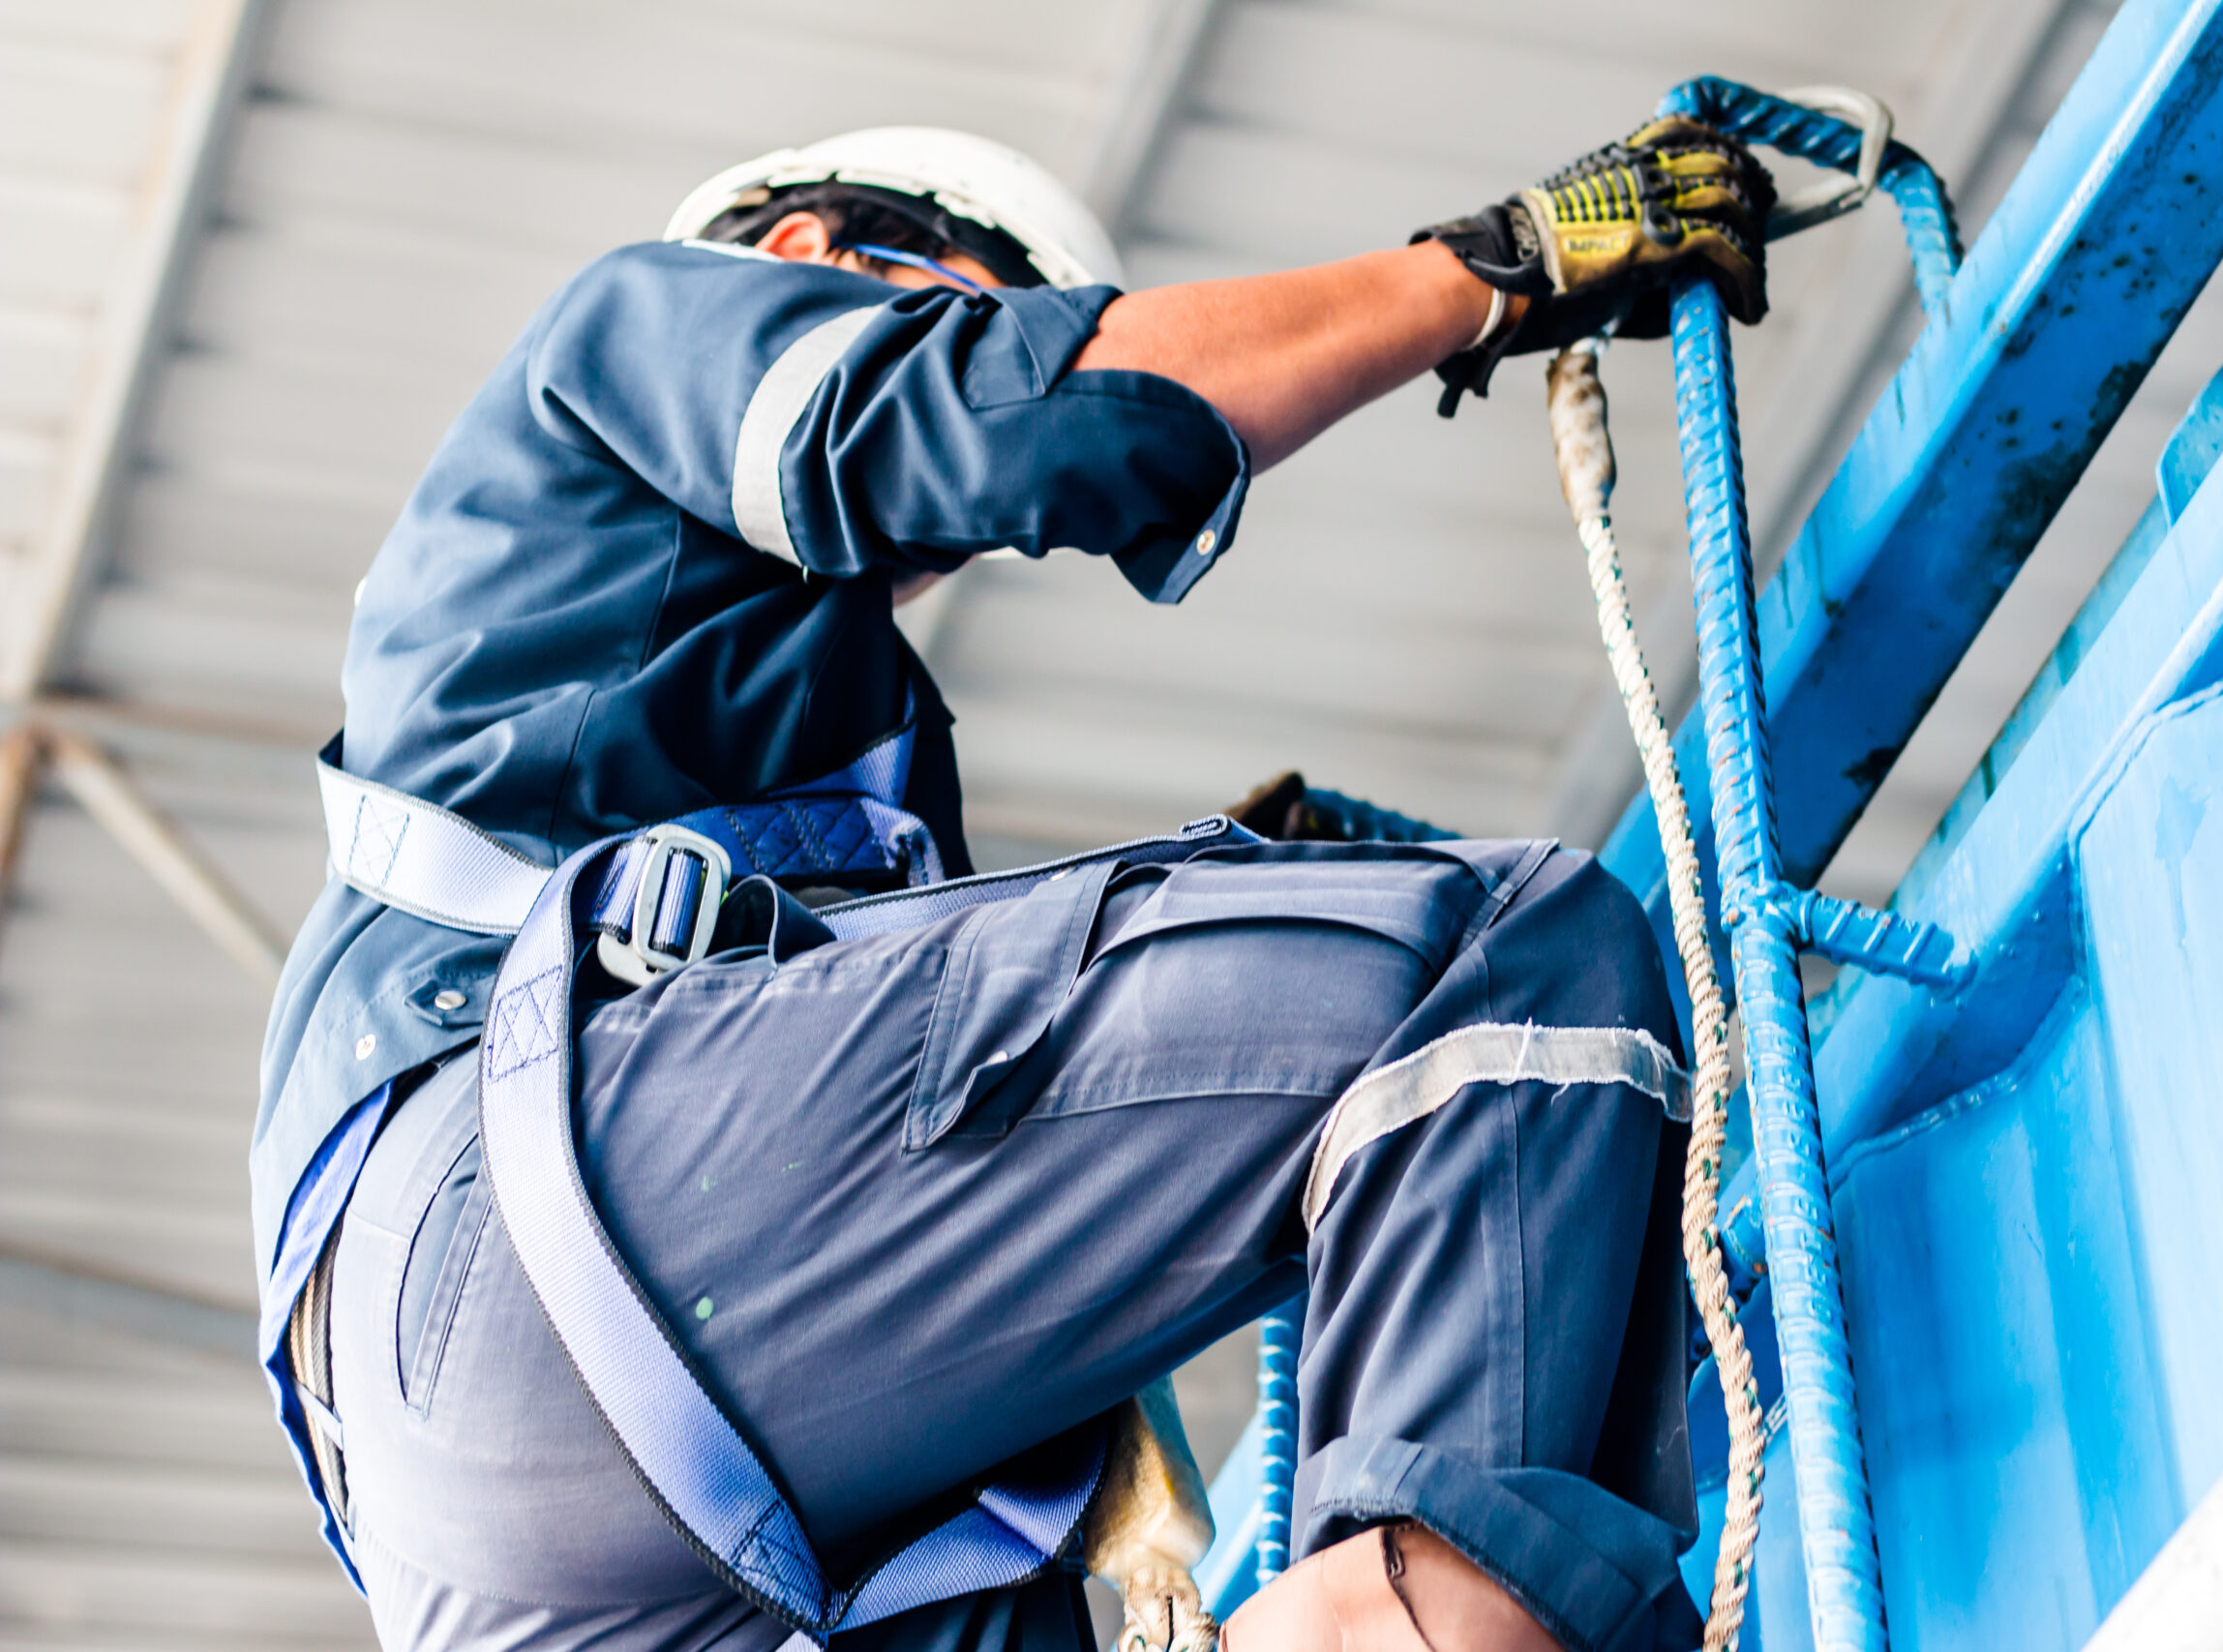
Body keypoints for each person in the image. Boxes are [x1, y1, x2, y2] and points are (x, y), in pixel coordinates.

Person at [252, 117, 1773, 1652]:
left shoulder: (771, 745)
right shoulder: (638, 327)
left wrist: (1260, 915)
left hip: (506, 1520)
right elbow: (1001, 416)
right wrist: (1481, 273)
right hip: (531, 1238)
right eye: (972, 306)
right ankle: (1404, 1618)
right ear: (809, 255)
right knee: (1493, 966)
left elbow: (1000, 1129)